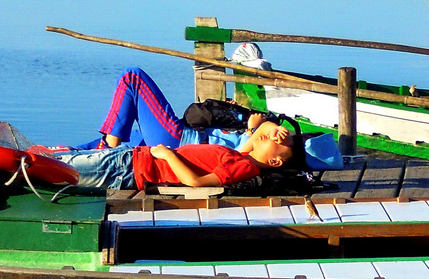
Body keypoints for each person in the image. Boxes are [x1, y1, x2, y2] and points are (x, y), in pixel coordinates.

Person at [58, 67, 300, 188]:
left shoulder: (246, 157)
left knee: (133, 77)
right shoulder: (250, 150)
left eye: (281, 139)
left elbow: (262, 129)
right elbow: (264, 130)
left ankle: (103, 147)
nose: (277, 136)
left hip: (179, 141)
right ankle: (59, 152)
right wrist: (261, 127)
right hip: (170, 146)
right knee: (129, 138)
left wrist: (262, 127)